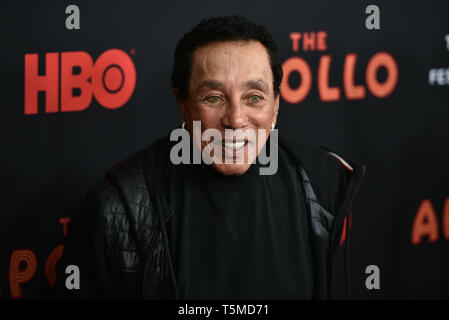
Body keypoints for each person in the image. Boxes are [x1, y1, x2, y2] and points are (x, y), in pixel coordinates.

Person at [54, 15, 365, 299]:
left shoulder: (323, 183)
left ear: (276, 105)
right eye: (214, 98)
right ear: (182, 102)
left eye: (254, 97)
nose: (235, 119)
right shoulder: (116, 208)